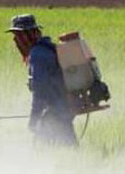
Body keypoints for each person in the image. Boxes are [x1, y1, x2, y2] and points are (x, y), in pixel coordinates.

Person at [6, 14, 77, 146]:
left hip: (54, 114)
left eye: (20, 35)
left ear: (31, 33)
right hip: (62, 110)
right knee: (69, 150)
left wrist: (34, 118)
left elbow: (40, 91)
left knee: (43, 152)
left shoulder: (38, 55)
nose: (16, 40)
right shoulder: (47, 48)